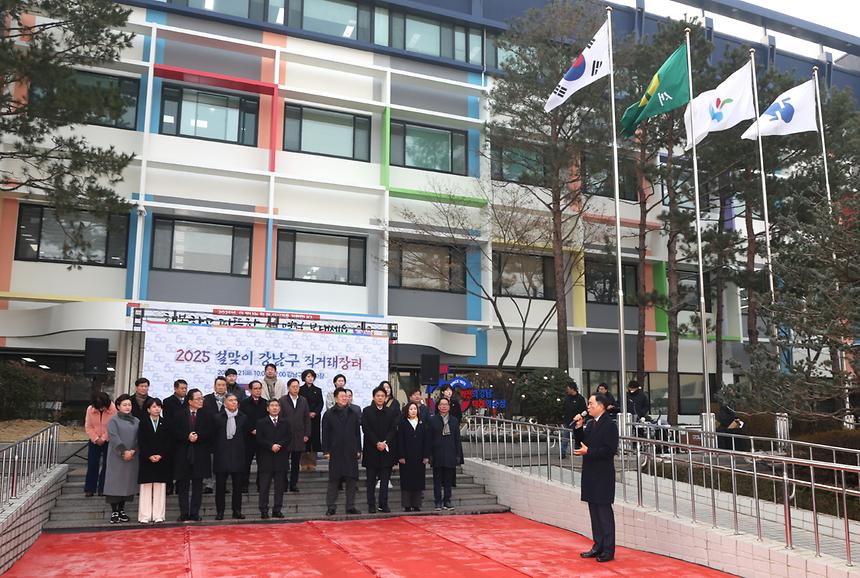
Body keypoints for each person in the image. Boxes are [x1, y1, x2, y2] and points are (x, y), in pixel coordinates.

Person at [573, 393, 619, 563]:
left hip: (603, 475)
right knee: (594, 513)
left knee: (604, 514)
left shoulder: (610, 426)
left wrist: (589, 452)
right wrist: (578, 427)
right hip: (590, 473)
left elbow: (609, 451)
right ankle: (597, 545)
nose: (588, 407)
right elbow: (582, 444)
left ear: (601, 405)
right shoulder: (591, 424)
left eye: (591, 403)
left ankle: (608, 550)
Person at [171, 388, 212, 522]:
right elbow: (174, 433)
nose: (201, 401)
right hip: (183, 454)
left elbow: (211, 432)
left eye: (202, 399)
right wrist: (187, 437)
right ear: (190, 401)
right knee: (182, 485)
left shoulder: (207, 415)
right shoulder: (179, 414)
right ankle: (183, 512)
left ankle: (194, 512)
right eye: (198, 399)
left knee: (197, 485)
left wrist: (198, 437)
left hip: (200, 454)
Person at [322, 387, 361, 516]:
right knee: (334, 480)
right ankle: (331, 507)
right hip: (335, 451)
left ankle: (350, 506)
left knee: (351, 479)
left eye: (347, 396)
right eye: (342, 396)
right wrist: (326, 450)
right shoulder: (328, 414)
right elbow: (325, 434)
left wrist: (358, 449)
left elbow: (357, 433)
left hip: (350, 451)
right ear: (336, 398)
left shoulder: (353, 413)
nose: (345, 398)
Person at [103, 394, 139, 524]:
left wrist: (133, 450)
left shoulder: (136, 421)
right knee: (115, 483)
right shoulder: (113, 420)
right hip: (117, 457)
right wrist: (124, 451)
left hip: (132, 457)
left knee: (127, 483)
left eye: (129, 404)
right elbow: (113, 436)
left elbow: (138, 438)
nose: (127, 407)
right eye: (124, 405)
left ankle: (122, 509)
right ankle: (114, 511)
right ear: (118, 406)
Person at [362, 385, 398, 513]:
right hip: (372, 450)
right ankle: (371, 504)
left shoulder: (390, 412)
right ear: (373, 397)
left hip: (386, 451)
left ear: (386, 397)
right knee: (371, 481)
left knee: (384, 481)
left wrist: (385, 442)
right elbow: (366, 429)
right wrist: (377, 442)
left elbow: (393, 429)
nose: (380, 398)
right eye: (378, 396)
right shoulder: (366, 411)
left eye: (383, 396)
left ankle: (383, 504)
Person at [137, 398, 172, 524]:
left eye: (158, 407)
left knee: (160, 487)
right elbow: (141, 441)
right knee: (146, 487)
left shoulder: (166, 423)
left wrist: (160, 454)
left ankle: (159, 515)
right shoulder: (143, 423)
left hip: (162, 459)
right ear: (148, 409)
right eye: (153, 407)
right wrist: (149, 455)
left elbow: (169, 442)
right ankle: (144, 515)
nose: (156, 409)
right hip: (147, 459)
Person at [213, 394, 247, 520]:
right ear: (225, 403)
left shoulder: (243, 418)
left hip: (238, 456)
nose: (233, 403)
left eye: (235, 400)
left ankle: (236, 511)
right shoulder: (217, 418)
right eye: (230, 400)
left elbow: (246, 438)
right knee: (220, 487)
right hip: (222, 457)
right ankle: (220, 511)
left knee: (237, 487)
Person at [256, 399, 291, 518]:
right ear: (267, 408)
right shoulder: (261, 422)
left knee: (279, 487)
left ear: (280, 408)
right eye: (272, 406)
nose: (275, 408)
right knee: (264, 487)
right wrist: (271, 446)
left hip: (281, 458)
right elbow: (259, 439)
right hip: (266, 459)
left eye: (277, 406)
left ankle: (277, 509)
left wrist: (279, 445)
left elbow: (288, 437)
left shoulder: (285, 422)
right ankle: (264, 510)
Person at [428, 397, 463, 511]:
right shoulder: (433, 420)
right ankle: (438, 501)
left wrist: (458, 455)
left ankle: (447, 500)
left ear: (449, 406)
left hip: (450, 453)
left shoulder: (454, 420)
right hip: (437, 453)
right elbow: (429, 438)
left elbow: (457, 439)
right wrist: (430, 455)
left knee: (448, 480)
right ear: (438, 407)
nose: (443, 406)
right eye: (441, 405)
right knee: (437, 480)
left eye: (445, 404)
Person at [397, 401, 431, 512]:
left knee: (418, 480)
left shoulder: (422, 423)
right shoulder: (402, 423)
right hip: (406, 457)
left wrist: (426, 456)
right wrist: (401, 455)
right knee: (406, 481)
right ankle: (407, 505)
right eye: (411, 409)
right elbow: (400, 441)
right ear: (407, 411)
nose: (413, 411)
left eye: (415, 409)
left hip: (419, 457)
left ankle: (417, 504)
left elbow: (426, 441)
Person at [279, 378, 310, 493]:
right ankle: (283, 483)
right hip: (286, 437)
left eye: (297, 386)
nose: (296, 388)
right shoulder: (282, 400)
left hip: (299, 435)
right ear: (288, 388)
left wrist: (307, 434)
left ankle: (293, 484)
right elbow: (280, 419)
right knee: (284, 462)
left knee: (296, 463)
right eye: (293, 386)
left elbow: (306, 419)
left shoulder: (303, 400)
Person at [84, 391, 116, 497]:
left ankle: (103, 488)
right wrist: (96, 438)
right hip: (94, 440)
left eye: (103, 407)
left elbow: (113, 426)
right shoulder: (90, 409)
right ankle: (90, 488)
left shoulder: (114, 409)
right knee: (92, 463)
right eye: (99, 408)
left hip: (109, 440)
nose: (101, 409)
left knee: (107, 464)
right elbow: (88, 426)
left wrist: (104, 438)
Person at [239, 380, 268, 493]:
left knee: (263, 463)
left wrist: (260, 430)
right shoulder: (244, 403)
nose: (258, 390)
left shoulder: (265, 403)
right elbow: (243, 419)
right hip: (248, 438)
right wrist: (251, 429)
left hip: (262, 439)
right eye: (255, 388)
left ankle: (260, 485)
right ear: (250, 390)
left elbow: (267, 420)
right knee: (246, 462)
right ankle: (244, 484)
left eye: (259, 388)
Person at [161, 379, 187, 496]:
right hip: (172, 437)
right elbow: (168, 420)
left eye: (185, 388)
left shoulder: (188, 401)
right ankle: (169, 486)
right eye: (182, 388)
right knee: (170, 463)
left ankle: (180, 486)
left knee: (182, 463)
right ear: (175, 389)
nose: (184, 391)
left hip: (185, 438)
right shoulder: (168, 401)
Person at [299, 369, 323, 472]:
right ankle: (303, 463)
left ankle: (312, 463)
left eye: (312, 376)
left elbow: (320, 403)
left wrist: (315, 413)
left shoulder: (318, 390)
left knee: (314, 440)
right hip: (303, 418)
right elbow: (300, 403)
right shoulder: (300, 389)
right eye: (308, 376)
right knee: (304, 440)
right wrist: (307, 413)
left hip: (315, 418)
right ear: (304, 378)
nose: (310, 378)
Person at [561, 380, 587, 459]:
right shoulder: (567, 398)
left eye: (568, 389)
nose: (567, 390)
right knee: (565, 437)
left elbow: (584, 410)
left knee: (578, 437)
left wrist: (581, 418)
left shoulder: (580, 399)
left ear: (573, 389)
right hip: (568, 421)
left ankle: (577, 451)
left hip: (577, 421)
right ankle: (563, 452)